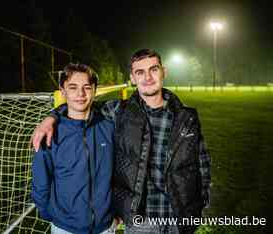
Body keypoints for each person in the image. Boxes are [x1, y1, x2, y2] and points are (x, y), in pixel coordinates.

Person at [32, 49, 211, 234]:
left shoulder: (186, 117)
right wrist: (52, 117)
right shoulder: (118, 112)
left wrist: (199, 204)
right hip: (140, 220)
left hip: (179, 217)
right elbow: (78, 107)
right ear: (132, 78)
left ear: (164, 72)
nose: (147, 77)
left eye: (154, 69)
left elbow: (202, 165)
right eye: (140, 72)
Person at [31, 63, 115, 234]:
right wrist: (51, 216)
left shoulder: (109, 127)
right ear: (63, 91)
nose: (80, 94)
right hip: (65, 228)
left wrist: (116, 213)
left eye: (86, 87)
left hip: (105, 227)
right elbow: (40, 183)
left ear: (94, 90)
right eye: (73, 87)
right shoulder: (49, 132)